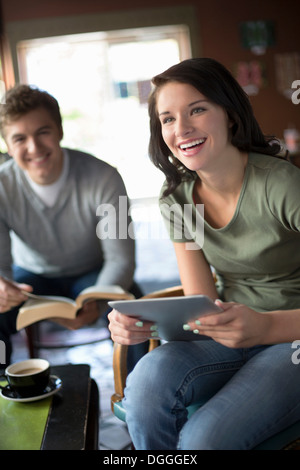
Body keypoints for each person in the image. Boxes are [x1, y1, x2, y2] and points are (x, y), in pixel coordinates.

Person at [108, 58, 300, 450]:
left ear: (229, 115)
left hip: (292, 342)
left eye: (197, 109)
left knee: (203, 440)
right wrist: (140, 322)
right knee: (144, 386)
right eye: (167, 119)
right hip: (230, 332)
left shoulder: (283, 186)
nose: (182, 130)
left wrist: (264, 328)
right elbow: (203, 303)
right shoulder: (176, 200)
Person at [0, 84, 142, 368]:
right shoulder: (2, 186)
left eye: (43, 132)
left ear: (60, 130)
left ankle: (137, 394)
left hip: (94, 275)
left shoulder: (104, 177)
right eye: (19, 138)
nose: (34, 148)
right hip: (32, 280)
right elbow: (2, 268)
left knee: (133, 312)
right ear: (7, 144)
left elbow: (121, 259)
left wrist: (100, 299)